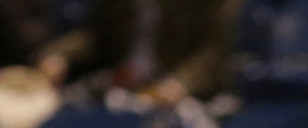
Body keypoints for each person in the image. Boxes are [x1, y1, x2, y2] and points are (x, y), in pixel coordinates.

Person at [36, 0, 241, 106]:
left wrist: (181, 84)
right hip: (118, 85)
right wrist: (59, 56)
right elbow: (95, 36)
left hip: (179, 92)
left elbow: (212, 51)